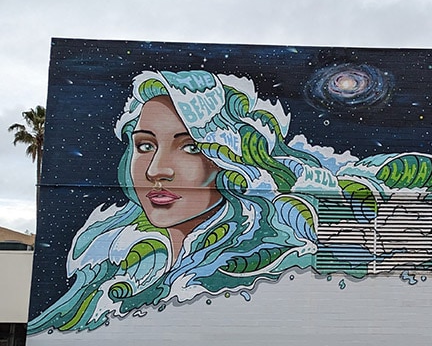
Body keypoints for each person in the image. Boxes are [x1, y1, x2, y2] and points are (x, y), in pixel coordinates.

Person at [28, 70, 320, 333]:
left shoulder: (274, 270)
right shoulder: (112, 261)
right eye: (145, 145)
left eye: (190, 147)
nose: (156, 170)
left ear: (229, 159)